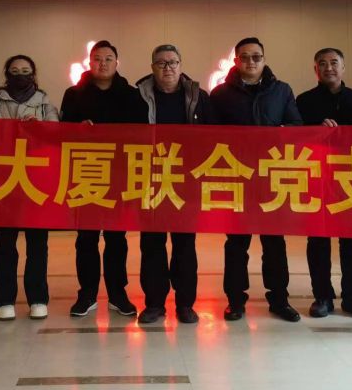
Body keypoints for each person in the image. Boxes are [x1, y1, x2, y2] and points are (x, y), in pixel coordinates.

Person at [210, 37, 302, 322]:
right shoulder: (221, 94)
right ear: (236, 60)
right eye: (245, 57)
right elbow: (209, 135)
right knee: (236, 244)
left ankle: (279, 299)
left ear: (264, 59)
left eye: (256, 57)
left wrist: (279, 134)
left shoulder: (281, 90)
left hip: (271, 178)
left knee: (274, 243)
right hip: (236, 178)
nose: (251, 62)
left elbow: (296, 126)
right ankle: (235, 300)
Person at [60, 40, 148, 318]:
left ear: (116, 63)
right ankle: (86, 294)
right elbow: (61, 133)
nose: (103, 63)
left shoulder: (131, 95)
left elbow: (142, 133)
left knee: (116, 238)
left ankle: (117, 294)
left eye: (108, 58)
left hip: (118, 175)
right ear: (90, 62)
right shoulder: (74, 94)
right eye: (97, 58)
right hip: (85, 174)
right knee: (86, 238)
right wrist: (78, 129)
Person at [135, 44, 213, 325]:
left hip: (186, 182)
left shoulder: (199, 97)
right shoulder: (137, 97)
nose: (167, 68)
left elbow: (215, 136)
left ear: (181, 65)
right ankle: (154, 304)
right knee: (151, 244)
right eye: (161, 63)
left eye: (173, 62)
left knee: (185, 245)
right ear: (152, 67)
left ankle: (185, 304)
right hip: (149, 180)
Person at [296, 48, 352, 320]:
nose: (328, 67)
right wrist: (316, 131)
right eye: (322, 63)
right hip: (317, 177)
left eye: (334, 63)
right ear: (315, 70)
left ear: (343, 67)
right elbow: (294, 136)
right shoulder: (303, 101)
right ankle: (322, 297)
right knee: (318, 239)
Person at [0, 55, 59, 321]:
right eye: (15, 71)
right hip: (4, 182)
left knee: (38, 244)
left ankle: (38, 298)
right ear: (7, 75)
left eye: (25, 71)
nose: (20, 75)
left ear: (33, 74)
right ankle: (4, 300)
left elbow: (58, 135)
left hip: (37, 182)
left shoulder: (45, 104)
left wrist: (40, 128)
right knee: (4, 243)